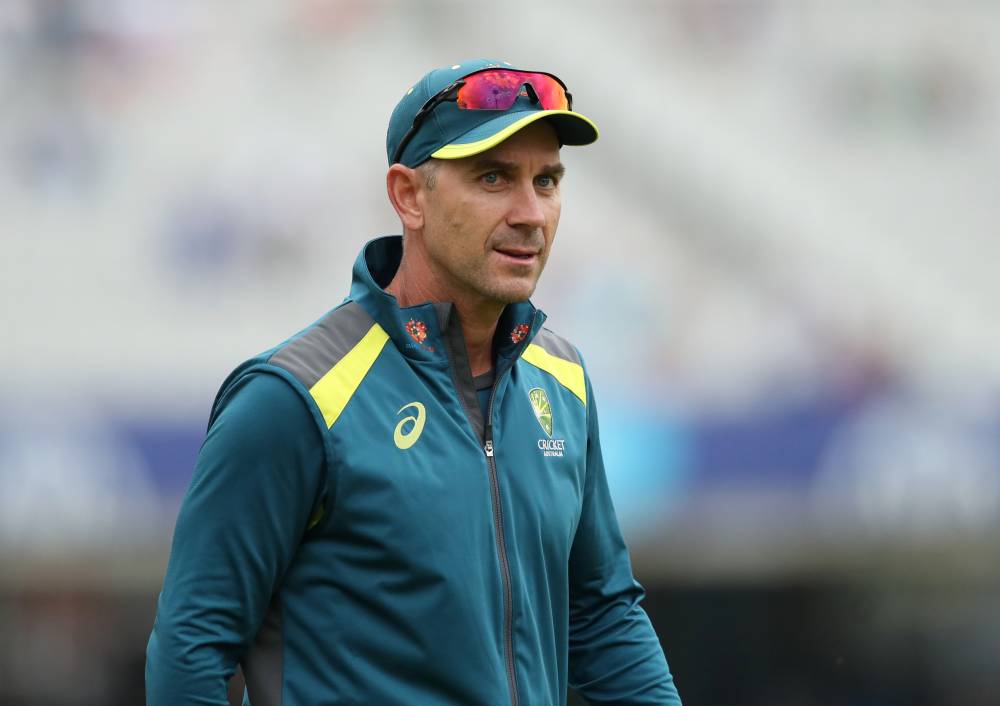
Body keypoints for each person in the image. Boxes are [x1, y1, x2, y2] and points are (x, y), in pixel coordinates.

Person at [146, 58, 683, 706]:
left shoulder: (562, 380)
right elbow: (190, 647)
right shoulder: (294, 397)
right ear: (408, 196)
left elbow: (602, 616)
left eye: (547, 179)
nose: (531, 212)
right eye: (493, 177)